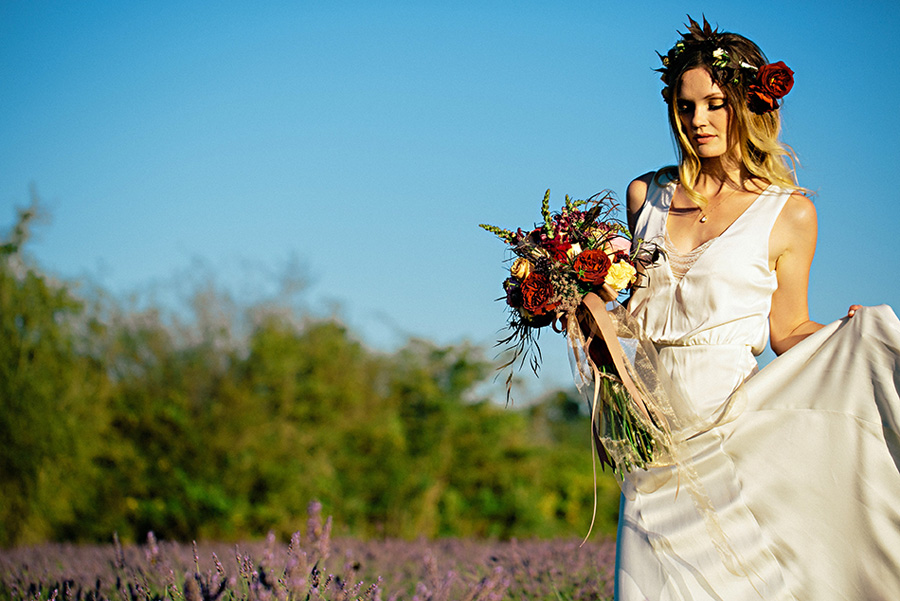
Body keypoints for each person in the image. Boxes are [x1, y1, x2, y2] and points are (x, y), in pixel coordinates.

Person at [611, 17, 900, 600]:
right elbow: (631, 313)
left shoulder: (788, 213)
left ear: (749, 104)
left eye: (715, 104)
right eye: (686, 106)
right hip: (650, 436)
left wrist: (850, 335)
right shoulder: (645, 195)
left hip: (732, 430)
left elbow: (787, 329)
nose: (699, 121)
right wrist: (568, 293)